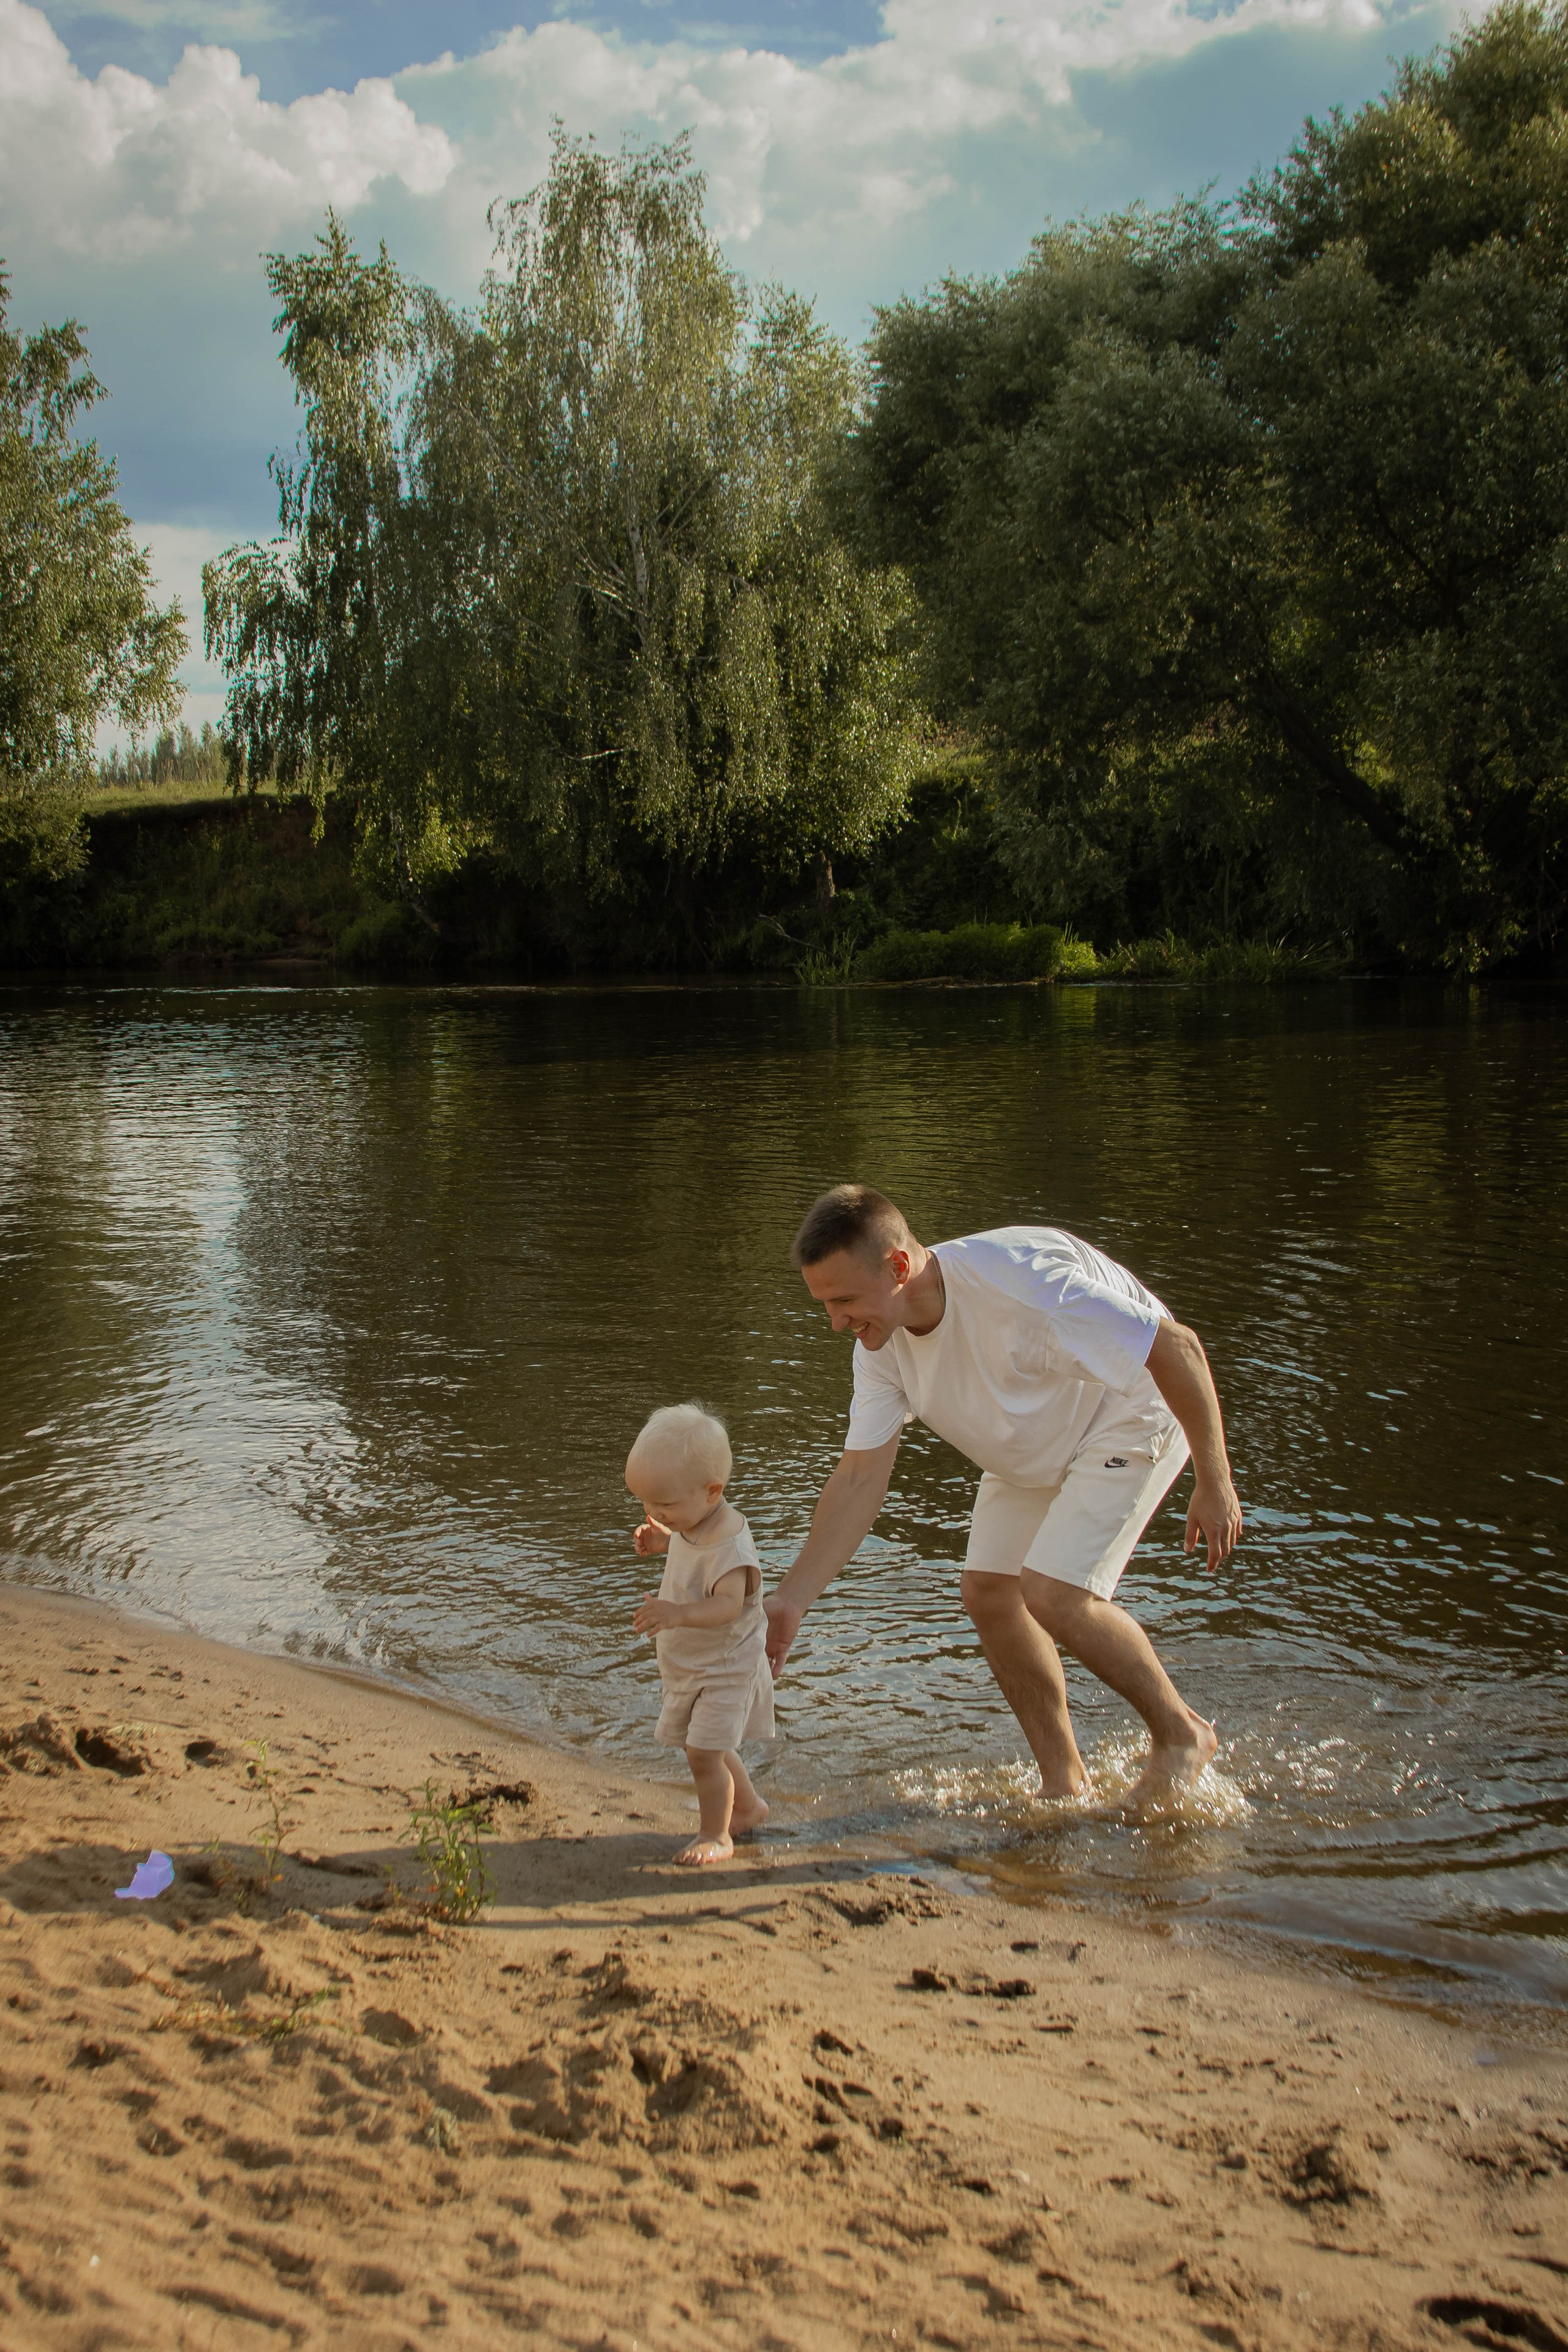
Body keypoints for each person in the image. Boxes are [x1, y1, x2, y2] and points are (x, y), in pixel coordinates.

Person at [765, 1186, 1243, 1809]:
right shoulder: (880, 1348)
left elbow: (1176, 1347)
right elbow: (859, 1478)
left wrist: (1215, 1478)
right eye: (825, 1305)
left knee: (1053, 1592)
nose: (836, 1322)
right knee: (990, 1591)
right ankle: (1062, 1782)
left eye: (845, 1300)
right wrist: (792, 1599)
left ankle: (1182, 1736)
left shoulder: (1022, 1287)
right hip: (1033, 1436)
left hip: (1131, 1408)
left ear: (899, 1268)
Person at [627, 1403, 774, 1866]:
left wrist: (677, 1613)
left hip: (727, 1665)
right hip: (696, 1662)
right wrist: (665, 1540)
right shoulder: (695, 1523)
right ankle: (747, 1809)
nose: (654, 1513)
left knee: (702, 1752)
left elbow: (728, 1605)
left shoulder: (731, 1543)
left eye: (664, 1507)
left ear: (713, 1491)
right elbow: (692, 1550)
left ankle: (718, 1835)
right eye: (647, 1505)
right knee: (708, 1743)